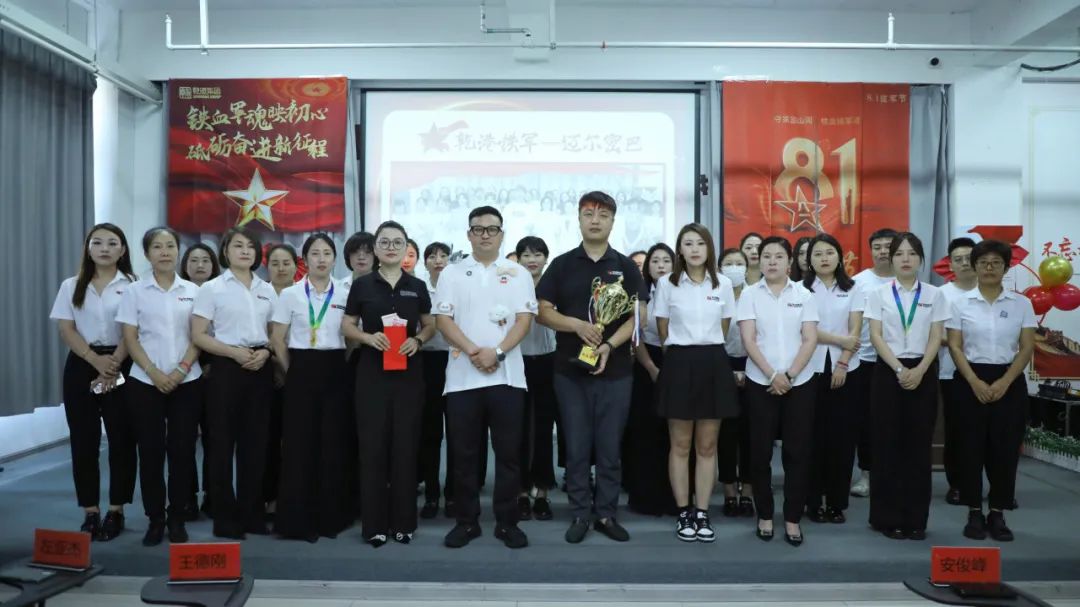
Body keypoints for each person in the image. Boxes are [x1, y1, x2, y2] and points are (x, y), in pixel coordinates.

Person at [536, 191, 648, 544]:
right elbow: (542, 311)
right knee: (577, 446)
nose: (595, 220)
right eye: (588, 214)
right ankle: (580, 513)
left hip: (617, 371)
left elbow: (638, 317)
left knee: (610, 447)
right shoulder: (562, 264)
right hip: (569, 372)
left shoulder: (625, 267)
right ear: (579, 219)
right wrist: (576, 326)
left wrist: (608, 345)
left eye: (603, 215)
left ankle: (606, 514)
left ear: (613, 221)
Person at [435, 207, 536, 549]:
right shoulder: (451, 273)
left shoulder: (518, 273)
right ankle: (467, 522)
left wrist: (499, 352)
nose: (485, 235)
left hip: (507, 378)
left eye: (492, 229)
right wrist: (475, 351)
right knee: (463, 454)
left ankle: (508, 522)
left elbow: (524, 320)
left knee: (508, 453)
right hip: (462, 379)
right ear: (469, 235)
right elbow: (443, 321)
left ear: (501, 234)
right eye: (478, 229)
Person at [341, 221, 436, 547]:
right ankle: (374, 526)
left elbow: (430, 325)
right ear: (376, 248)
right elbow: (347, 325)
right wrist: (368, 338)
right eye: (385, 242)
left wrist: (418, 340)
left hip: (409, 374)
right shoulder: (362, 285)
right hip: (372, 374)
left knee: (405, 447)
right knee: (373, 448)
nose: (391, 247)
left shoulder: (417, 286)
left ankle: (404, 523)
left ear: (406, 248)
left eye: (397, 242)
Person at [50, 223, 137, 541]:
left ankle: (116, 510)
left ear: (122, 250)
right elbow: (66, 329)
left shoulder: (133, 285)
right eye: (97, 242)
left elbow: (134, 329)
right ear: (88, 249)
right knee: (83, 441)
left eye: (112, 243)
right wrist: (94, 359)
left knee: (122, 439)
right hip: (82, 364)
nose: (104, 248)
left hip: (122, 361)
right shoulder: (71, 285)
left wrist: (113, 362)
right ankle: (90, 511)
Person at [117, 226, 203, 546]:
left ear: (178, 251)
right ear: (146, 253)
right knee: (150, 452)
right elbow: (130, 338)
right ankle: (155, 518)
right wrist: (153, 372)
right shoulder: (134, 291)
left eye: (170, 246)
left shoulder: (194, 291)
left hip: (187, 381)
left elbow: (199, 336)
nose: (165, 252)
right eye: (157, 246)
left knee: (182, 451)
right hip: (144, 381)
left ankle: (177, 516)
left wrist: (180, 370)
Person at [191, 227, 277, 539]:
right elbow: (199, 335)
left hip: (260, 367)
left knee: (256, 444)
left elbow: (274, 334)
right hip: (226, 367)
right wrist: (233, 353)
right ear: (225, 252)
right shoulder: (212, 289)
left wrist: (266, 353)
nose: (245, 251)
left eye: (250, 246)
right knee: (221, 444)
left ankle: (252, 514)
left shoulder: (267, 289)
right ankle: (225, 518)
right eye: (238, 246)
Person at [947, 239, 1035, 542]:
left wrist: (1004, 381)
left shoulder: (1021, 304)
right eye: (983, 262)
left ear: (1006, 268)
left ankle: (997, 513)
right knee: (969, 448)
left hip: (1009, 380)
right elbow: (955, 346)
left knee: (1005, 450)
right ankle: (974, 512)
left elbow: (1026, 348)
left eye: (996, 263)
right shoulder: (960, 303)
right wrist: (974, 381)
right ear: (974, 266)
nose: (989, 267)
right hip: (969, 379)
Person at [654, 224, 738, 543]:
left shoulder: (724, 283)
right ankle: (683, 511)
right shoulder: (667, 283)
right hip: (678, 361)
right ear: (680, 249)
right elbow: (663, 328)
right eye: (687, 243)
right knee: (680, 444)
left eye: (700, 243)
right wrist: (682, 352)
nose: (694, 249)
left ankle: (702, 512)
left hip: (713, 361)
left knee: (707, 446)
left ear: (709, 248)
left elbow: (725, 327)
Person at [864, 232, 950, 540]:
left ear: (921, 259)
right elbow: (875, 335)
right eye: (899, 253)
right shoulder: (879, 294)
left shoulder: (935, 294)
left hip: (923, 371)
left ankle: (916, 519)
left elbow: (937, 336)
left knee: (918, 446)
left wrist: (921, 369)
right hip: (888, 372)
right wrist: (900, 369)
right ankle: (887, 518)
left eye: (912, 254)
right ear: (891, 258)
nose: (905, 259)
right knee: (886, 445)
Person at [269, 234, 352, 543]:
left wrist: (339, 365)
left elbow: (351, 337)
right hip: (300, 371)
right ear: (305, 259)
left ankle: (331, 518)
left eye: (327, 253)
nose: (321, 259)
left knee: (333, 443)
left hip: (335, 370)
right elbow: (277, 338)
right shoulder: (291, 294)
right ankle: (297, 521)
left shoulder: (345, 292)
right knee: (299, 445)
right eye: (315, 253)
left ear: (334, 259)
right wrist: (292, 371)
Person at [737, 236, 818, 547]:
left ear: (789, 262)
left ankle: (793, 517)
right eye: (766, 256)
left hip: (800, 382)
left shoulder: (804, 294)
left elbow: (809, 339)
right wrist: (773, 374)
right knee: (759, 453)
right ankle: (765, 514)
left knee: (797, 452)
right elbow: (749, 340)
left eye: (778, 256)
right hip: (761, 382)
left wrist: (790, 375)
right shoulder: (749, 294)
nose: (771, 261)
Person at [802, 234, 863, 525]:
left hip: (846, 370)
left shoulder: (853, 289)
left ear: (839, 256)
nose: (824, 258)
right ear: (809, 260)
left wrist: (842, 362)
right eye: (817, 254)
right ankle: (812, 500)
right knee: (812, 437)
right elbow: (805, 330)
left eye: (829, 252)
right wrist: (840, 340)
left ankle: (837, 503)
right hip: (808, 369)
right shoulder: (800, 289)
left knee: (842, 439)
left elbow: (856, 331)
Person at [625, 243, 677, 517]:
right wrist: (651, 367)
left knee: (674, 434)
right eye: (655, 261)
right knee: (645, 432)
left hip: (677, 362)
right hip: (646, 364)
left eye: (666, 260)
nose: (660, 265)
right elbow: (636, 336)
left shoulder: (682, 292)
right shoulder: (639, 294)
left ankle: (674, 497)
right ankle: (645, 497)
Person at [850, 228, 898, 498]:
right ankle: (866, 475)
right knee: (867, 422)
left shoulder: (908, 281)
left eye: (888, 246)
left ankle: (893, 475)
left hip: (900, 361)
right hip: (865, 360)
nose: (882, 251)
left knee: (895, 420)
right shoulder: (858, 282)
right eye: (877, 247)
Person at [515, 236, 559, 521]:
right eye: (526, 255)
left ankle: (542, 492)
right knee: (517, 430)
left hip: (547, 362)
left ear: (546, 258)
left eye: (538, 254)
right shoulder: (510, 285)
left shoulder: (554, 286)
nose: (532, 260)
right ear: (518, 259)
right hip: (515, 362)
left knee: (544, 429)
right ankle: (520, 491)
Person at [179, 242, 219, 520]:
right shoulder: (178, 293)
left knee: (215, 439)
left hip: (216, 374)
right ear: (185, 265)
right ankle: (187, 496)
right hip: (183, 374)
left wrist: (210, 364)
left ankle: (213, 495)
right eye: (194, 260)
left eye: (205, 260)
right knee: (184, 439)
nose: (200, 265)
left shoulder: (220, 292)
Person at [938, 237, 978, 506]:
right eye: (958, 259)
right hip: (951, 372)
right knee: (957, 431)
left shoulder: (994, 291)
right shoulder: (941, 294)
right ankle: (957, 485)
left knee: (990, 433)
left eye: (969, 258)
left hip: (992, 371)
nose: (964, 263)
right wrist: (959, 340)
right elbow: (934, 334)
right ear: (950, 264)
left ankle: (996, 486)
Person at [717, 248, 755, 518]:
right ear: (719, 268)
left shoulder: (756, 295)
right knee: (726, 434)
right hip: (721, 366)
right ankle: (729, 490)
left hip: (755, 367)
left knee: (752, 434)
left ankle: (749, 491)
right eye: (728, 263)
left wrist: (748, 369)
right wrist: (729, 371)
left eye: (739, 263)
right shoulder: (716, 295)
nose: (734, 268)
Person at [263, 244, 298, 520]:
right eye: (275, 263)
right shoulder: (259, 294)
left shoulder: (302, 293)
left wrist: (289, 370)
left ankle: (294, 496)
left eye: (286, 262)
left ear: (296, 266)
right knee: (269, 440)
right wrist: (275, 365)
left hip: (298, 375)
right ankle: (270, 497)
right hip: (265, 374)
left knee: (296, 441)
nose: (281, 268)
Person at [418, 241, 452, 519]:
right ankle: (431, 493)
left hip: (456, 362)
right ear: (425, 262)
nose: (438, 260)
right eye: (432, 256)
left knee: (458, 433)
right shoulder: (419, 289)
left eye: (443, 256)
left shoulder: (459, 287)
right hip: (426, 363)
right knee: (430, 433)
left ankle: (453, 494)